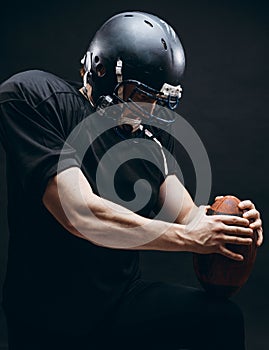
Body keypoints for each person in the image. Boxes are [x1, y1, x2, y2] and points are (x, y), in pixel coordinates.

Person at [0, 11, 263, 350]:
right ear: (103, 72)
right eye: (141, 95)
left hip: (120, 303)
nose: (151, 110)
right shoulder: (39, 99)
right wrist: (187, 237)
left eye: (159, 100)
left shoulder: (148, 139)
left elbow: (188, 213)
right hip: (49, 314)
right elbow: (79, 213)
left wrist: (232, 227)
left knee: (221, 319)